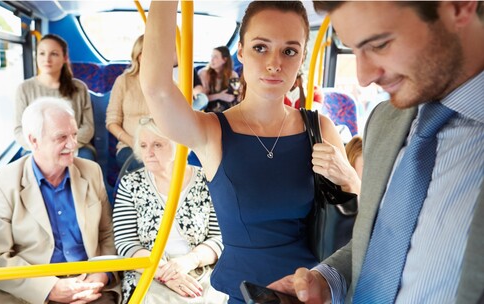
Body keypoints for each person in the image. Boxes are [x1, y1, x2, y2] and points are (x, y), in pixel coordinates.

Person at [140, 1, 360, 302]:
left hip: (312, 290)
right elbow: (157, 89)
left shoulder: (320, 128)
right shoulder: (212, 131)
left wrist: (349, 177)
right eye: (260, 48)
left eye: (289, 51)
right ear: (240, 51)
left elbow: (359, 215)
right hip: (245, 294)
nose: (274, 63)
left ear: (302, 58)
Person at [269, 2, 484, 303]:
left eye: (380, 44)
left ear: (459, 6)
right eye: (353, 49)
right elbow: (379, 240)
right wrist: (327, 280)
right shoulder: (385, 121)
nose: (363, 76)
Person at [0, 97, 121, 304]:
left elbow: (107, 234)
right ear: (34, 140)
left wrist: (100, 276)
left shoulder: (91, 171)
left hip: (90, 285)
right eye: (61, 137)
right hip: (30, 292)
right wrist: (49, 289)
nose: (73, 144)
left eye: (74, 134)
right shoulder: (0, 184)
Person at [112, 117, 227, 304]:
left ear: (179, 146)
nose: (148, 153)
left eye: (157, 144)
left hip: (201, 268)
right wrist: (165, 274)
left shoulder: (206, 181)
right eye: (143, 145)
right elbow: (126, 243)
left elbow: (220, 237)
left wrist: (190, 261)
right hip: (148, 271)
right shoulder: (131, 184)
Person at [14, 34, 95, 160]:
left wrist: (66, 146)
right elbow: (19, 130)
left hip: (76, 146)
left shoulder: (79, 88)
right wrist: (47, 148)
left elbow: (88, 128)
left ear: (64, 58)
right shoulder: (24, 89)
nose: (47, 59)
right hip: (37, 149)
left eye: (54, 54)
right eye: (42, 53)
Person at [106, 35, 149, 171]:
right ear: (139, 56)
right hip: (129, 146)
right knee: (142, 166)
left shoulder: (170, 84)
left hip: (159, 145)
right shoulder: (123, 81)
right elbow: (112, 122)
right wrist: (133, 142)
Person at [197, 46, 240, 112]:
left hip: (227, 111)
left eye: (215, 57)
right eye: (211, 56)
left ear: (224, 60)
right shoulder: (204, 74)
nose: (212, 60)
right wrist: (220, 96)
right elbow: (201, 100)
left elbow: (237, 93)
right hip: (208, 112)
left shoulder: (233, 75)